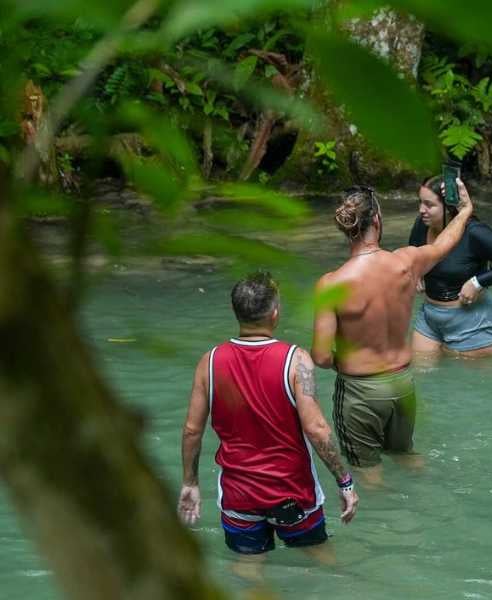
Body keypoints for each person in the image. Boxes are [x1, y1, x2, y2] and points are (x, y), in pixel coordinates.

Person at [178, 271, 359, 557]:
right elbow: (317, 429)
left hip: (239, 496)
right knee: (323, 563)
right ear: (275, 314)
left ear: (235, 312)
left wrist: (190, 482)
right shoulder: (299, 360)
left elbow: (191, 430)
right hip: (293, 494)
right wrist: (344, 481)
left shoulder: (208, 362)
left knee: (248, 571)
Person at [312, 184, 474, 484]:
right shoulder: (406, 262)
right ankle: (430, 498)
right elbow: (444, 245)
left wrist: (344, 360)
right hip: (403, 384)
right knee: (405, 454)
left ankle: (386, 525)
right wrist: (464, 212)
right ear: (376, 220)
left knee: (367, 471)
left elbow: (321, 357)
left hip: (361, 392)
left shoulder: (332, 283)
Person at [408, 175, 492, 359]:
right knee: (421, 376)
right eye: (420, 203)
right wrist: (416, 274)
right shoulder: (422, 224)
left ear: (448, 208)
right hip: (430, 318)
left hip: (473, 324)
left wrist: (478, 282)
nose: (421, 210)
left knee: (467, 385)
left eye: (429, 205)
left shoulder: (474, 232)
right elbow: (414, 252)